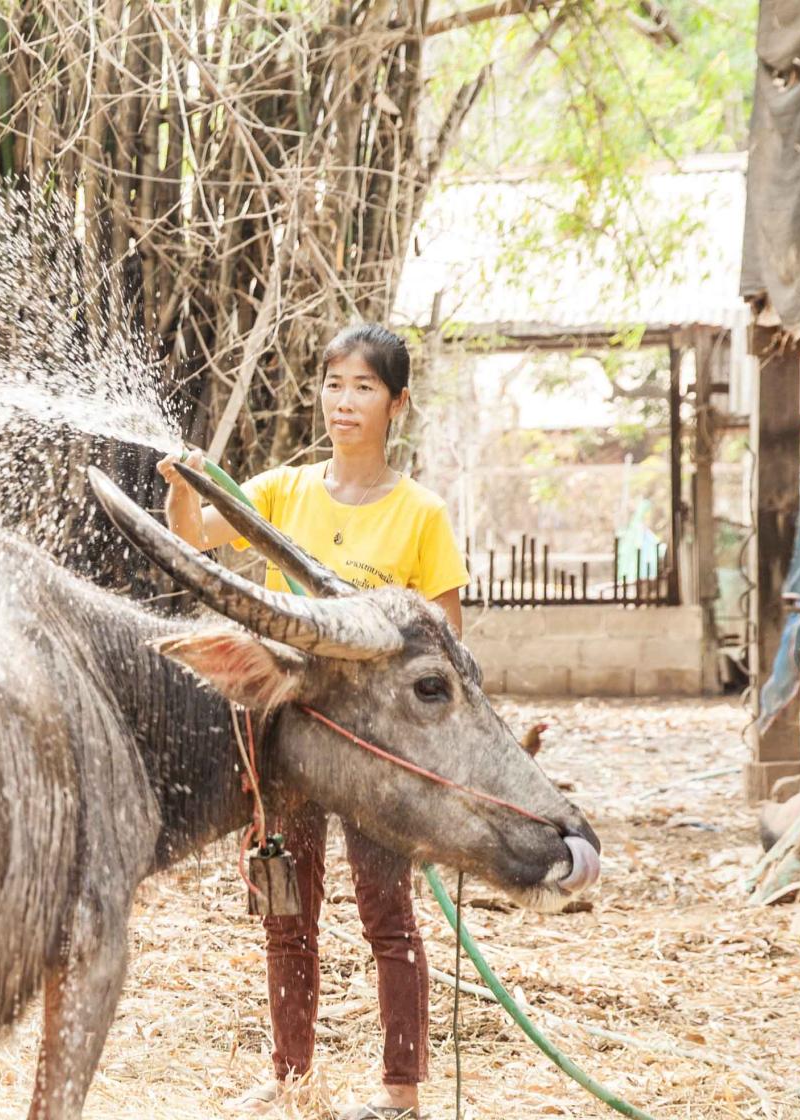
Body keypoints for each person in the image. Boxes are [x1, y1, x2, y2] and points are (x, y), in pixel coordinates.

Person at [155, 323, 469, 1120]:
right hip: (290, 740)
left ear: (397, 403)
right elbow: (192, 540)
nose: (344, 402)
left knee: (386, 914)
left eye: (364, 387)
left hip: (373, 753)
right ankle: (291, 1078)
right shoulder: (280, 494)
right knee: (287, 912)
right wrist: (183, 489)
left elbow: (445, 638)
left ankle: (401, 1092)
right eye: (334, 384)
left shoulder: (420, 514)